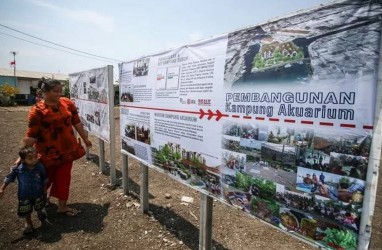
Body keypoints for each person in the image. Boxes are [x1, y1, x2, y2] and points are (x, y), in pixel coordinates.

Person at [21, 78, 92, 217]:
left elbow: (76, 122)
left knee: (64, 178)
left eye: (61, 91)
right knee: (45, 178)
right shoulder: (37, 111)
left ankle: (62, 206)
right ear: (45, 92)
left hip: (67, 150)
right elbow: (31, 135)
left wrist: (85, 138)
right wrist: (22, 156)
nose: (59, 94)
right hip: (47, 152)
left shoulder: (67, 103)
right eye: (55, 91)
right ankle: (41, 199)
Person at [0, 147, 48, 235]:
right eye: (30, 158)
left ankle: (40, 212)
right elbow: (9, 177)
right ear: (22, 160)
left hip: (38, 193)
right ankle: (29, 224)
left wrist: (45, 192)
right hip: (24, 195)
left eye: (35, 157)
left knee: (40, 205)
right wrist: (2, 188)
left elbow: (44, 179)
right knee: (26, 211)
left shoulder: (40, 166)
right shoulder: (18, 168)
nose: (34, 160)